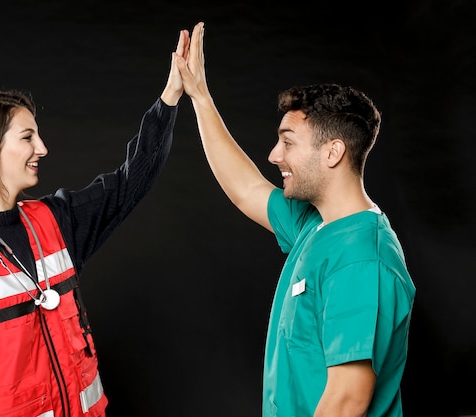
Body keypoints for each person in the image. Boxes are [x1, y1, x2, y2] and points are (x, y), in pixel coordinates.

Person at [0, 26, 191, 417]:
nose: (43, 148)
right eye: (28, 137)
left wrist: (170, 96)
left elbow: (128, 182)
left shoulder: (55, 220)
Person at [175, 22, 416, 417]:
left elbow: (346, 401)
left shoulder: (361, 260)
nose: (274, 155)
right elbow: (246, 189)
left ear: (333, 152)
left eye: (288, 142)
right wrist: (200, 97)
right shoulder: (316, 224)